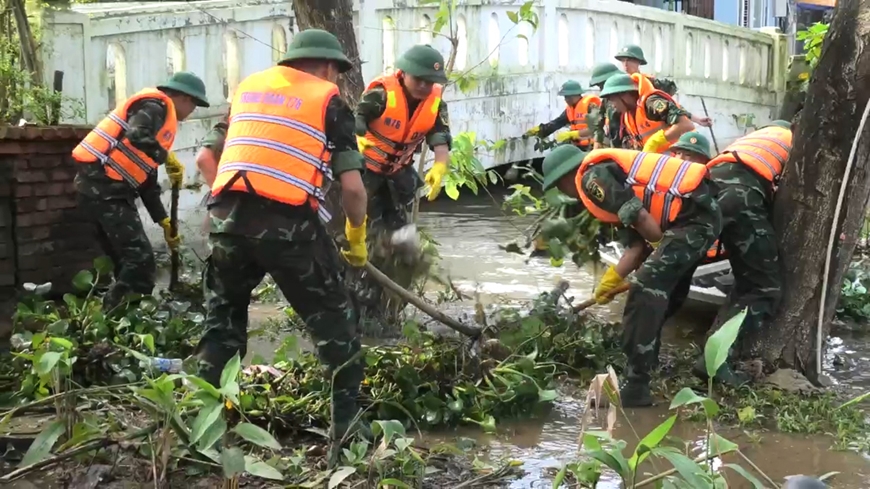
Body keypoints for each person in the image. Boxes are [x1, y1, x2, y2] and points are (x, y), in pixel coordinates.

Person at [193, 29, 369, 449]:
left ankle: (204, 426)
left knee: (222, 327)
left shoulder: (248, 91)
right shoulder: (327, 99)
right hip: (289, 230)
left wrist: (233, 205)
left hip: (227, 225)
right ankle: (348, 430)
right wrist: (356, 235)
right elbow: (353, 189)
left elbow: (205, 157)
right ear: (328, 67)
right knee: (336, 323)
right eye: (337, 72)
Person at [541, 144, 722, 406]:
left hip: (693, 220)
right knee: (666, 293)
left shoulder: (592, 179)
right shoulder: (609, 177)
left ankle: (635, 386)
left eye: (559, 186)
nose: (564, 192)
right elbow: (636, 247)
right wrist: (611, 279)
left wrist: (658, 249)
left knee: (643, 290)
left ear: (567, 177)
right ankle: (648, 360)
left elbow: (641, 218)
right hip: (693, 217)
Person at [72, 71, 209, 308]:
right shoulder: (155, 106)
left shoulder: (158, 116)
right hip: (103, 190)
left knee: (126, 262)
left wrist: (163, 221)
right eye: (194, 105)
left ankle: (119, 318)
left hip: (103, 191)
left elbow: (145, 178)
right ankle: (117, 314)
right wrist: (165, 156)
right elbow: (136, 133)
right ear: (184, 98)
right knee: (141, 262)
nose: (192, 111)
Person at [669, 124, 791, 384]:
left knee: (740, 280)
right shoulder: (797, 144)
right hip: (742, 195)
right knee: (765, 289)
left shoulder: (756, 140)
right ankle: (715, 361)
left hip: (712, 188)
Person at [352, 44, 452, 315]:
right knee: (366, 234)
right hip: (366, 174)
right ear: (404, 73)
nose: (424, 86)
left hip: (397, 176)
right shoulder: (381, 95)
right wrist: (356, 137)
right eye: (418, 79)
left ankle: (391, 302)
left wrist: (440, 166)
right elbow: (358, 117)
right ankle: (360, 292)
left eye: (430, 81)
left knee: (404, 237)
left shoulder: (435, 104)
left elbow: (440, 138)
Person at [615, 44, 712, 128]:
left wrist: (697, 119)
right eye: (623, 60)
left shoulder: (650, 83)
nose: (625, 64)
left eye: (630, 60)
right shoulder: (617, 85)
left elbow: (671, 106)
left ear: (639, 62)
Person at [599, 73, 695, 154]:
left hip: (680, 156)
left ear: (625, 95)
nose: (612, 105)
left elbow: (686, 125)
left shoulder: (651, 102)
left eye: (613, 100)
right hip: (656, 159)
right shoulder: (628, 114)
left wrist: (654, 142)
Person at [525, 80, 601, 150]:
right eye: (565, 97)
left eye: (568, 97)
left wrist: (573, 134)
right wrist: (541, 130)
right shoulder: (570, 110)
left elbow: (597, 127)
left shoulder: (591, 106)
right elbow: (557, 122)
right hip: (578, 147)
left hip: (593, 147)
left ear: (576, 94)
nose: (566, 100)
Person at [195, 110, 230, 231]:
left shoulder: (239, 111)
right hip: (270, 218)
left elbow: (204, 158)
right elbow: (204, 159)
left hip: (223, 216)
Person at [588, 63, 624, 149]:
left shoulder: (628, 98)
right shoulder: (606, 100)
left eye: (602, 86)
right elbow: (599, 121)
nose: (601, 90)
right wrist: (598, 140)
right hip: (614, 144)